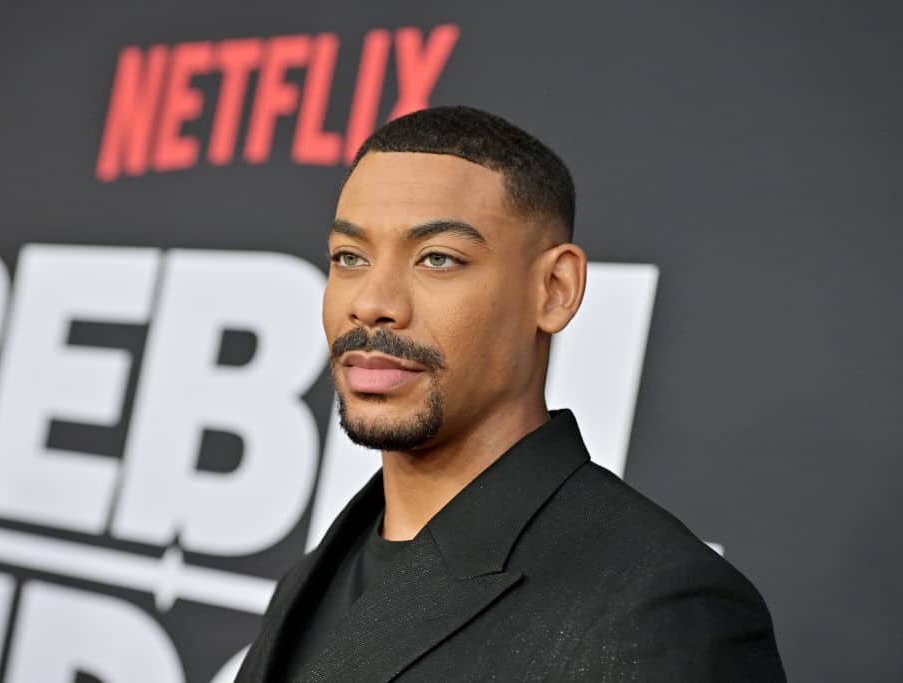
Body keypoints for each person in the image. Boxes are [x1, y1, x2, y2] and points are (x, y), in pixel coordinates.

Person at [235, 105, 785, 682]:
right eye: (350, 258)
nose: (372, 303)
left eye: (438, 259)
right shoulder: (311, 578)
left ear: (555, 289)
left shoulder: (660, 610)